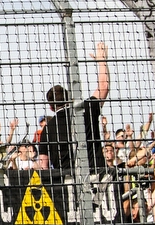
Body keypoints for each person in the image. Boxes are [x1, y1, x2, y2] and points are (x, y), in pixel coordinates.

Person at [38, 42, 110, 172]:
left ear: (51, 107)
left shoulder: (47, 130)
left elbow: (44, 167)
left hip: (69, 181)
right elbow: (104, 87)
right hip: (97, 173)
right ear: (70, 99)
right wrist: (101, 61)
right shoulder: (86, 110)